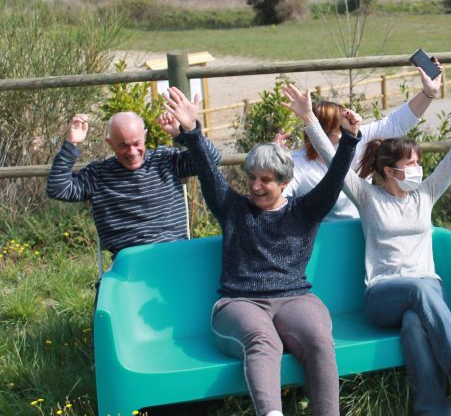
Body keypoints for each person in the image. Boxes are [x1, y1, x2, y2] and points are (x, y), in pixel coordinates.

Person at [283, 77, 451, 416]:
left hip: (428, 294)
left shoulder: (426, 194)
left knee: (415, 323)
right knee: (418, 289)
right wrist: (309, 119)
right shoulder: (367, 197)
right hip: (383, 295)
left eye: (419, 162)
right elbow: (332, 159)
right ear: (389, 170)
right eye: (411, 164)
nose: (419, 169)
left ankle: (432, 409)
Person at [163, 86, 357, 416]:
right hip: (240, 302)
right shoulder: (232, 208)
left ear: (284, 183)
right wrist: (192, 131)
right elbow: (208, 173)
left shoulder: (305, 210)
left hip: (295, 297)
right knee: (263, 339)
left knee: (319, 338)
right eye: (252, 177)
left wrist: (349, 139)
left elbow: (335, 176)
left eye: (265, 180)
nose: (255, 186)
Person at [46, 107, 221, 257]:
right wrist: (71, 143)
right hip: (130, 262)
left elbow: (212, 159)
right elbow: (58, 189)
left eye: (137, 143)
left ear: (145, 136)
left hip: (175, 253)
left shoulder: (165, 160)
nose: (132, 152)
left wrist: (184, 133)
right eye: (123, 145)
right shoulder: (98, 175)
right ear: (110, 143)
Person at [281, 61, 444, 220]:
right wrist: (275, 158)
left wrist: (428, 93)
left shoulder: (359, 137)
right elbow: (277, 198)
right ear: (329, 132)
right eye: (342, 123)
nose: (349, 123)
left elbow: (397, 123)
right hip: (321, 233)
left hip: (364, 227)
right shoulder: (298, 163)